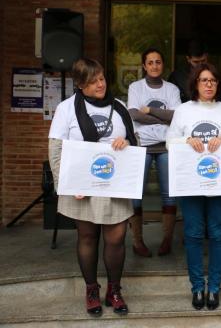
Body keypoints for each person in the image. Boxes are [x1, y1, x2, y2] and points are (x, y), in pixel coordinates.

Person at [48, 58, 137, 316]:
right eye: (93, 80)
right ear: (80, 84)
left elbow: (134, 141)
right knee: (87, 237)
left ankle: (114, 290)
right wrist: (65, 185)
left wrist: (126, 142)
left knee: (116, 238)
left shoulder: (119, 107)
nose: (100, 84)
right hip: (81, 187)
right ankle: (91, 289)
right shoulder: (66, 109)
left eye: (102, 78)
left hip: (115, 184)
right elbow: (55, 149)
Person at [166, 62, 221, 311]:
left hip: (219, 183)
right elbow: (169, 141)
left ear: (218, 84)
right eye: (203, 80)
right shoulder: (183, 110)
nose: (208, 84)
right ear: (195, 84)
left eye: (212, 80)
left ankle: (215, 288)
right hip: (191, 183)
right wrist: (186, 140)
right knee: (193, 234)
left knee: (219, 233)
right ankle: (197, 287)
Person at [127, 48, 181, 257]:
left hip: (166, 145)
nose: (154, 66)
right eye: (150, 62)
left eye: (158, 62)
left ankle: (166, 240)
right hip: (142, 145)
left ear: (163, 65)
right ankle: (137, 241)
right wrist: (162, 117)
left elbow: (176, 115)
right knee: (136, 195)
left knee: (169, 195)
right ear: (144, 66)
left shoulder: (172, 89)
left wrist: (148, 111)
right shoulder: (136, 87)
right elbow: (133, 114)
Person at [168, 39, 208, 103]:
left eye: (203, 61)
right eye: (196, 62)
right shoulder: (177, 76)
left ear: (207, 56)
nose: (200, 65)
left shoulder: (213, 75)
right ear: (188, 59)